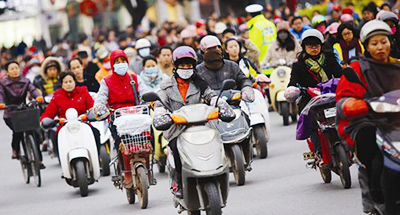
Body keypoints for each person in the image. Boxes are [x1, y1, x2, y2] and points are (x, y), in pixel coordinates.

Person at [336, 20, 400, 215]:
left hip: (396, 121)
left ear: (390, 42)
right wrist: (352, 104)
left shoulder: (397, 66)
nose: (380, 47)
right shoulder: (357, 69)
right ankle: (376, 197)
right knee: (371, 147)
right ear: (366, 45)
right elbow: (343, 99)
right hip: (368, 120)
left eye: (384, 41)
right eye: (374, 43)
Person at [153, 46, 230, 197]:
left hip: (203, 126)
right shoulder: (166, 86)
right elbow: (160, 105)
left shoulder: (200, 83)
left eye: (189, 65)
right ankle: (178, 182)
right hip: (177, 129)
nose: (186, 69)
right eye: (182, 65)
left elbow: (211, 97)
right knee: (176, 149)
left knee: (218, 142)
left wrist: (222, 105)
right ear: (176, 67)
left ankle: (219, 174)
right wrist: (161, 115)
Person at [93, 49, 148, 186]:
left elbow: (145, 93)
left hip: (137, 115)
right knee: (121, 143)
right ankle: (125, 171)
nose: (121, 64)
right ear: (112, 64)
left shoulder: (134, 78)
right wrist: (100, 108)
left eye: (123, 61)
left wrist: (150, 101)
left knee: (147, 138)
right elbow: (100, 99)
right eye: (117, 62)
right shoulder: (106, 81)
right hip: (117, 117)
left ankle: (148, 167)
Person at [288, 29, 342, 154]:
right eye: (310, 46)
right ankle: (318, 151)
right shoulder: (298, 65)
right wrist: (293, 90)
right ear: (304, 47)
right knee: (310, 120)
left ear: (321, 46)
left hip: (331, 95)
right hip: (310, 99)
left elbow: (340, 74)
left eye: (316, 45)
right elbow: (292, 83)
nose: (314, 48)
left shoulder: (330, 58)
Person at [40, 71, 100, 153]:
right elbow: (48, 113)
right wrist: (45, 120)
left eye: (70, 81)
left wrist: (93, 113)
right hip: (64, 128)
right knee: (57, 140)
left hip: (83, 124)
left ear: (75, 82)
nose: (68, 84)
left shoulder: (83, 92)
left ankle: (96, 156)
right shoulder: (57, 97)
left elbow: (92, 107)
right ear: (62, 84)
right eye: (65, 82)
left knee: (96, 133)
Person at [0, 61, 44, 165]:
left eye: (16, 68)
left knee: (35, 132)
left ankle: (39, 160)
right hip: (10, 112)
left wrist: (37, 96)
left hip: (24, 110)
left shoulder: (26, 81)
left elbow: (32, 89)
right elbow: (0, 94)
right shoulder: (2, 84)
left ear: (20, 69)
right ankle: (15, 150)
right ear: (7, 72)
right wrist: (1, 103)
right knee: (17, 132)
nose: (15, 70)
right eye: (12, 69)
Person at [196, 35, 254, 102]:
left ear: (221, 49)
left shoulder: (232, 66)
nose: (213, 52)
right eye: (209, 50)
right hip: (209, 107)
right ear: (202, 53)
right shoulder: (198, 71)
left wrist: (246, 87)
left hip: (234, 103)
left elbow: (243, 79)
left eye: (215, 48)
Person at [245, 3, 277, 74]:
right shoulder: (271, 24)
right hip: (274, 63)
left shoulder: (253, 26)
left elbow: (253, 47)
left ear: (250, 15)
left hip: (260, 65)